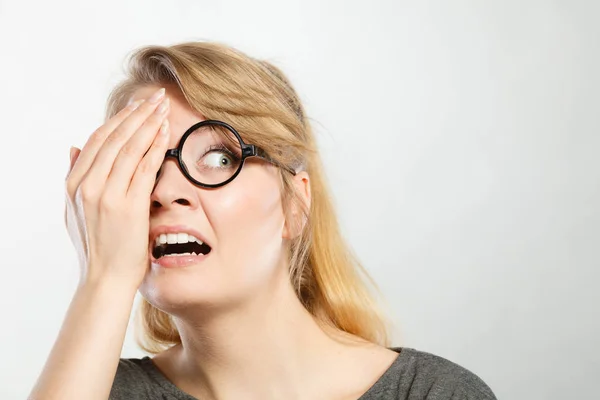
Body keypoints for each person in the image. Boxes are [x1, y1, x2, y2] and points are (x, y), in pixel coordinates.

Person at [29, 41, 496, 400]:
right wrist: (104, 281)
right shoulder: (90, 387)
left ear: (295, 203)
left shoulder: (434, 392)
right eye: (142, 165)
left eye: (217, 156)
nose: (165, 191)